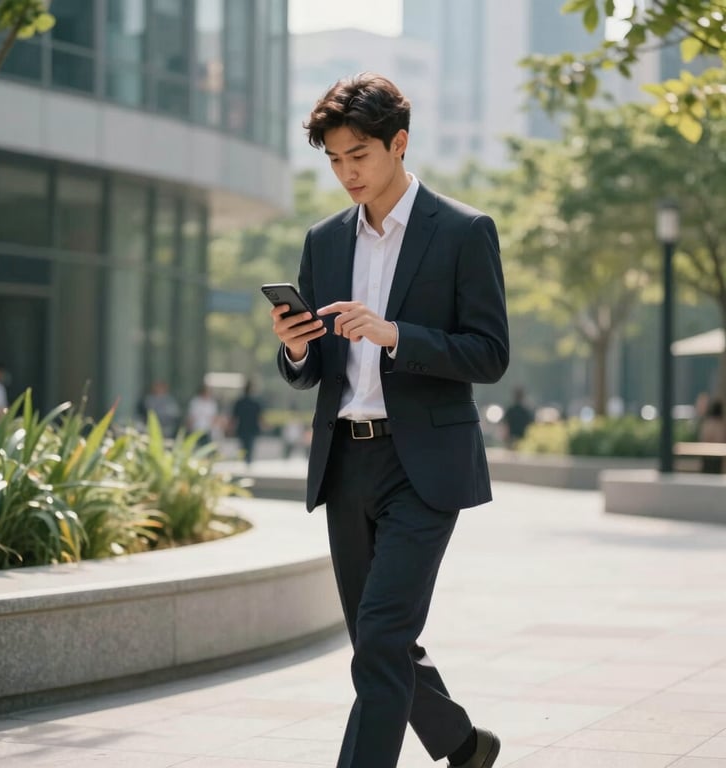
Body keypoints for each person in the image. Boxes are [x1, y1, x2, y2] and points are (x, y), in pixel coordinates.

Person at [269, 73, 508, 768]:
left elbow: (489, 353)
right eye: (335, 160)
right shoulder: (323, 241)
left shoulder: (463, 232)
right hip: (346, 463)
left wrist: (396, 333)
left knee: (378, 640)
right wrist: (293, 351)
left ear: (399, 143)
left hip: (422, 468)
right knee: (381, 641)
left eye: (360, 156)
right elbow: (316, 369)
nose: (347, 173)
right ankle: (464, 745)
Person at [230, 379, 263, 464]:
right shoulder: (256, 403)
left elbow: (234, 417)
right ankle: (248, 460)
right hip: (252, 428)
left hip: (242, 428)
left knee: (244, 445)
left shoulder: (239, 402)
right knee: (250, 445)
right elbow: (260, 417)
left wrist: (231, 427)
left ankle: (246, 459)